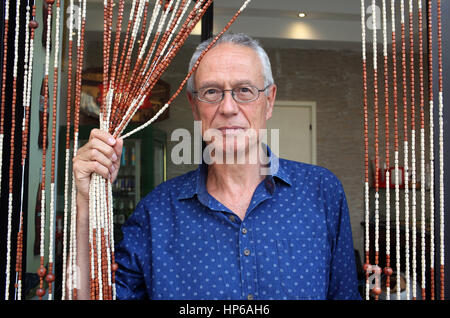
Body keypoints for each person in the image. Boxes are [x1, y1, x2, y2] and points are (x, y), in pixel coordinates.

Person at [73, 33, 361, 300]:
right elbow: (96, 295)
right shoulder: (156, 213)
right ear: (195, 106)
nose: (228, 108)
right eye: (211, 92)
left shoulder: (321, 192)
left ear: (269, 101)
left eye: (244, 90)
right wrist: (85, 201)